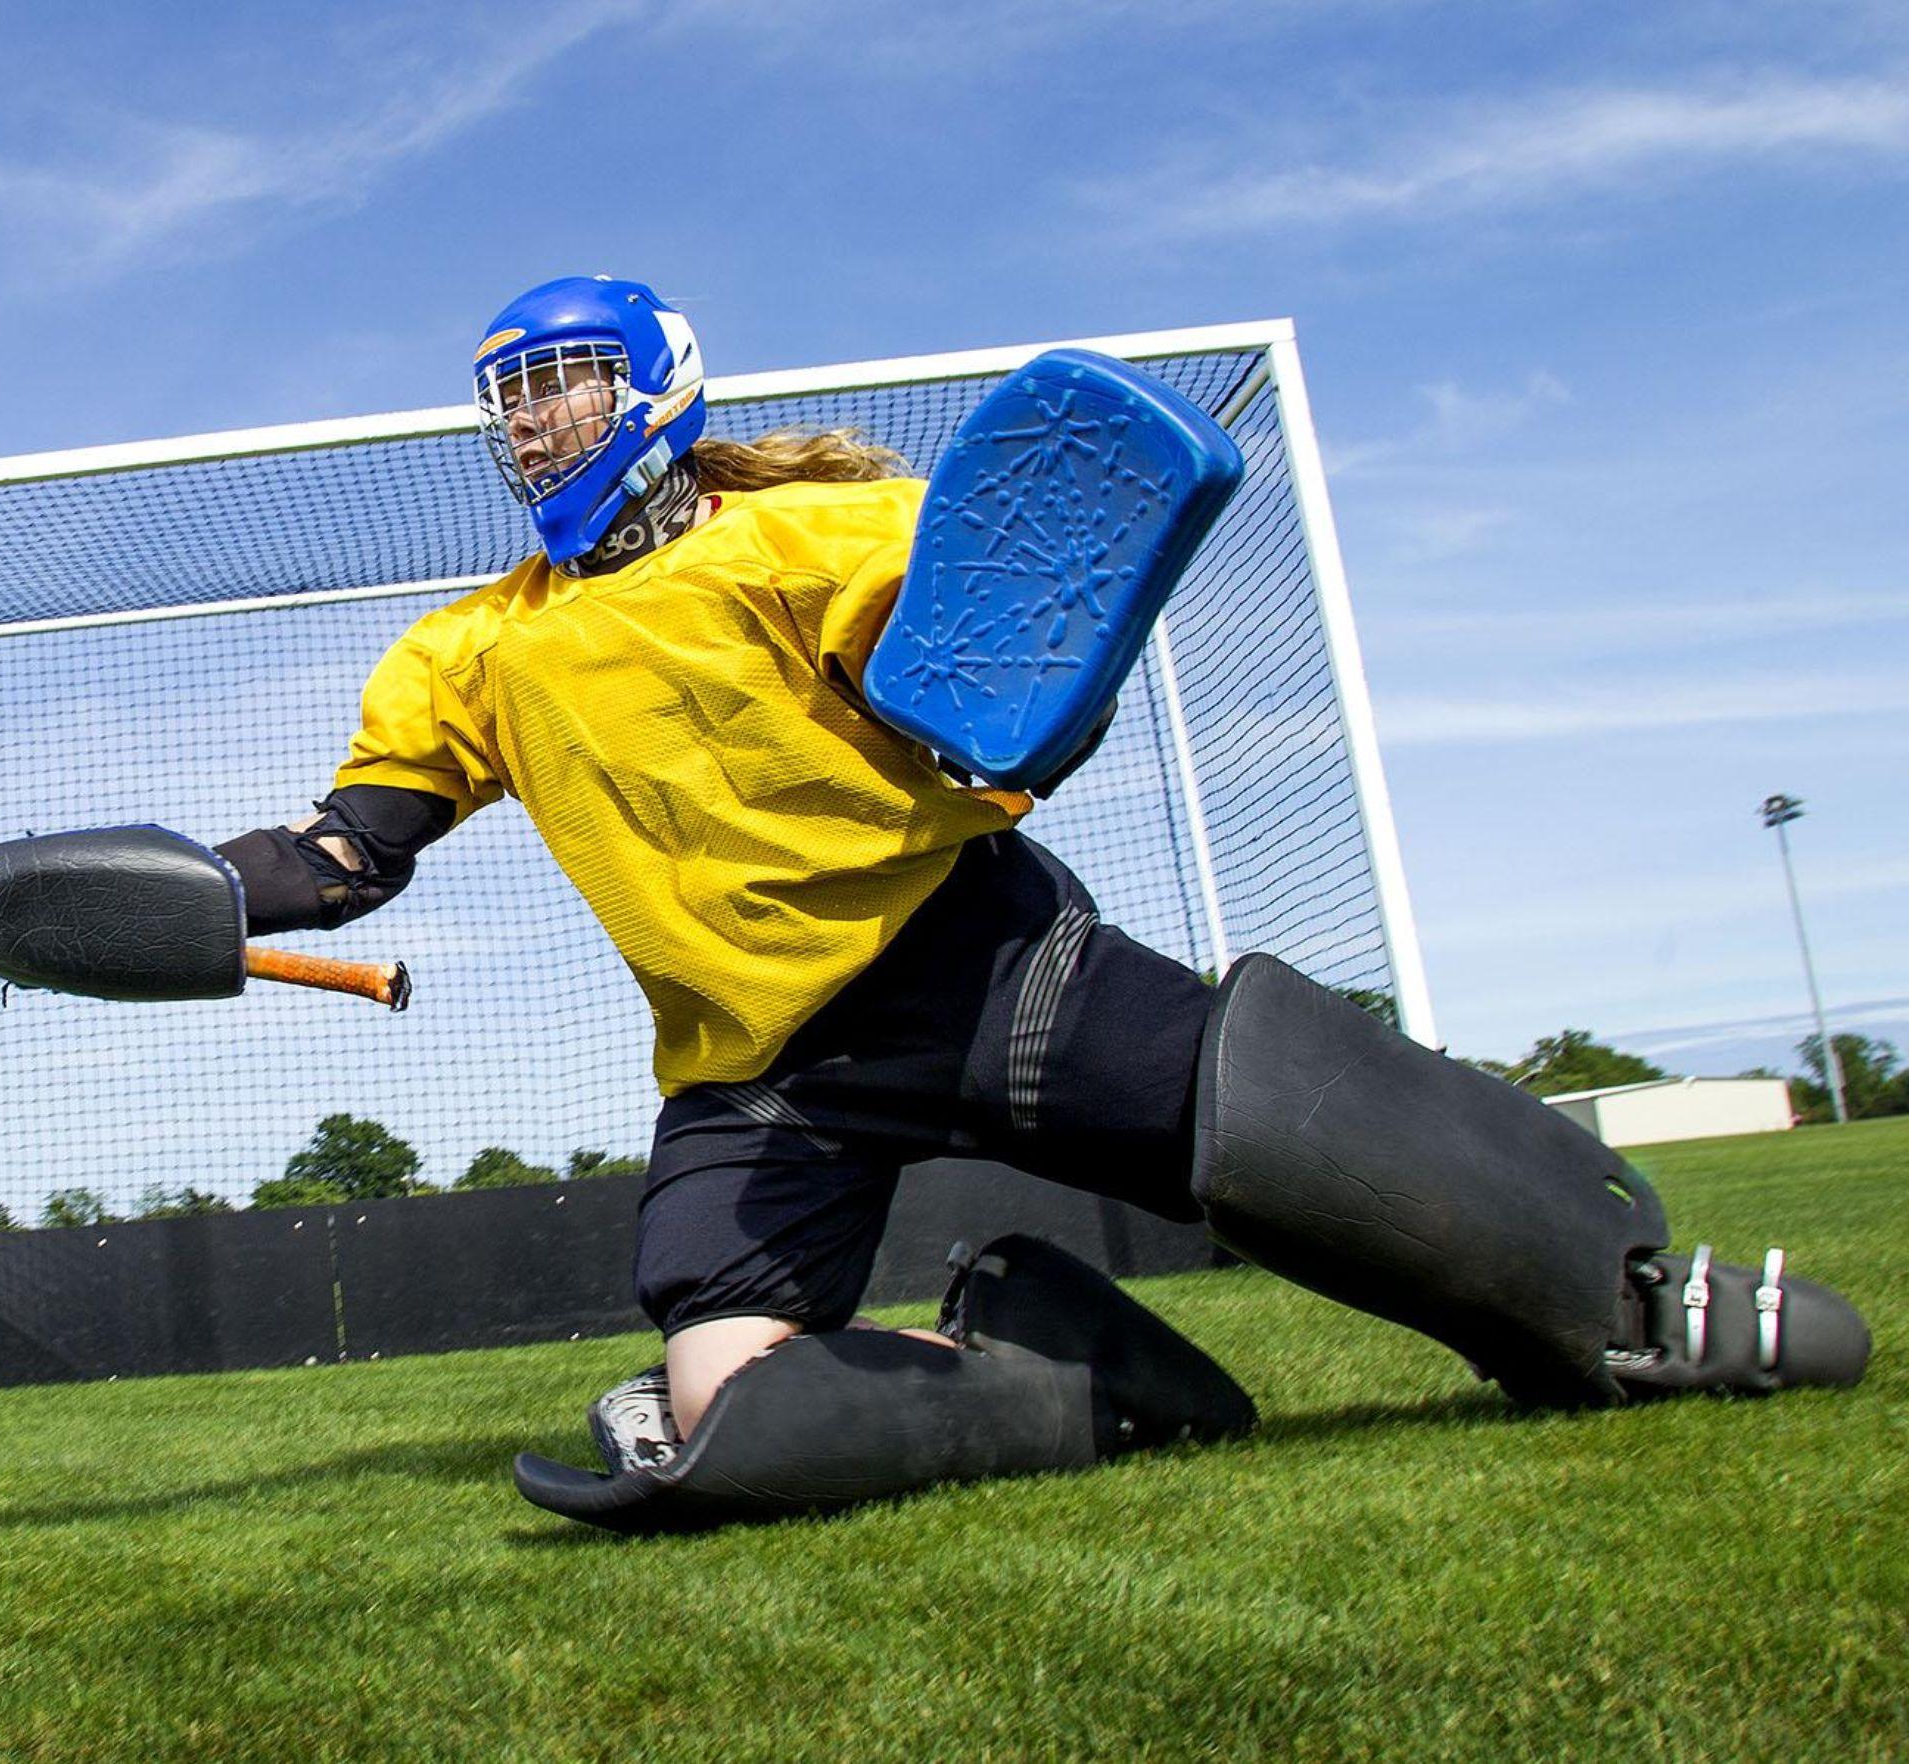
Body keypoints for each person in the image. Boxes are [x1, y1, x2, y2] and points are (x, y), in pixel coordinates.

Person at [207, 275, 1866, 1508]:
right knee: (723, 1400)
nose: (531, 417)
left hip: (976, 961)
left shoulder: (809, 540)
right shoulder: (467, 651)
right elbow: (346, 858)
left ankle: (1639, 1307)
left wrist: (1020, 728)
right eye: (509, 395)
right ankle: (1088, 1383)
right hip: (758, 1074)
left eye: (562, 382)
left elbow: (1006, 664)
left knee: (1273, 1129)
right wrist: (163, 903)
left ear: (652, 391)